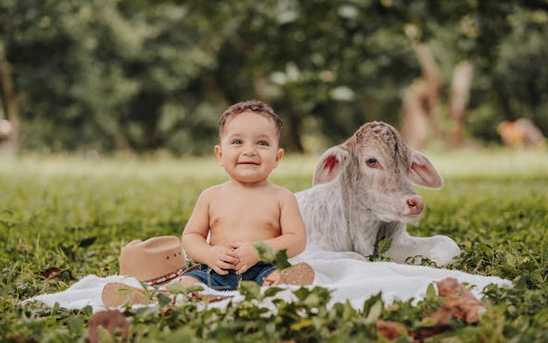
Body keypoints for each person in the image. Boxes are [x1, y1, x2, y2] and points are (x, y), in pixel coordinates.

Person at [178, 100, 313, 290]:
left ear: (277, 157)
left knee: (281, 277)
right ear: (220, 154)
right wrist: (209, 254)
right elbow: (192, 236)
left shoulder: (282, 197)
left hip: (264, 269)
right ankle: (191, 293)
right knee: (187, 282)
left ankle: (283, 286)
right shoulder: (210, 196)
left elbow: (297, 240)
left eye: (262, 143)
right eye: (237, 142)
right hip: (218, 271)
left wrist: (259, 251)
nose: (249, 151)